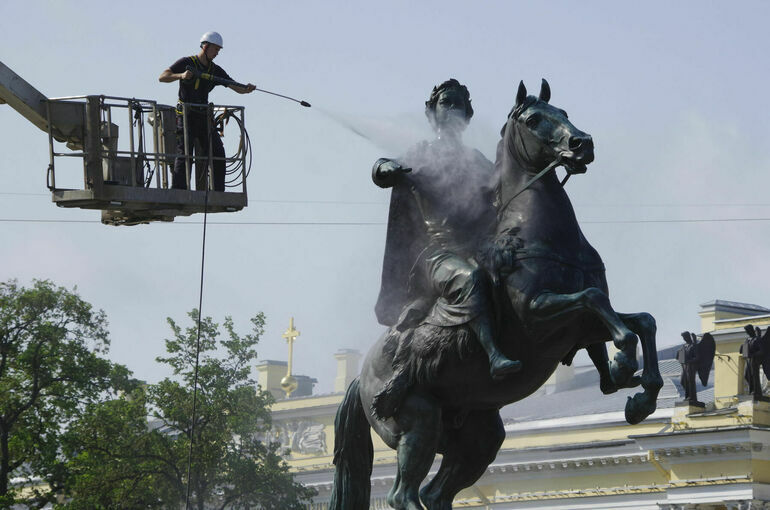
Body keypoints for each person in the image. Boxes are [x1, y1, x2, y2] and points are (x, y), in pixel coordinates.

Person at [372, 78, 521, 381]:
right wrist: (384, 168)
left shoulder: (478, 161)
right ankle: (493, 354)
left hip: (476, 248)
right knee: (473, 278)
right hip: (434, 255)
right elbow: (383, 167)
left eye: (459, 105)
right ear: (432, 113)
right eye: (446, 103)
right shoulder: (422, 153)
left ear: (467, 116)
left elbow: (502, 195)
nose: (453, 109)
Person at [159, 31, 256, 191]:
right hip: (186, 115)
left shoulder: (214, 70)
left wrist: (246, 89)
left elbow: (233, 85)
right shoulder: (187, 62)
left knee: (217, 151)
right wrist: (181, 75)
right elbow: (163, 76)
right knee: (185, 152)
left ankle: (218, 190)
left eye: (219, 50)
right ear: (205, 46)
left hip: (203, 116)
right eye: (215, 49)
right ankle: (179, 188)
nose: (217, 53)